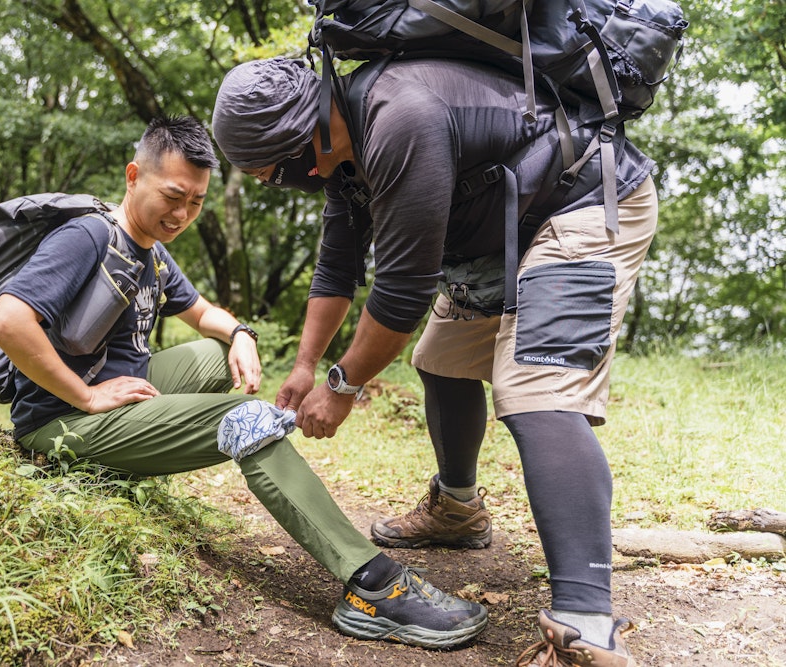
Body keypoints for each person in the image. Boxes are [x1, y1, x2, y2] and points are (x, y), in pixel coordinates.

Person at [212, 56, 657, 666]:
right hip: (498, 230)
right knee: (442, 358)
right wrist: (306, 366)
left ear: (302, 136)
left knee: (537, 390)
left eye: (274, 171)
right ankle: (458, 510)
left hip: (578, 204)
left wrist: (343, 385)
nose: (275, 182)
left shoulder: (401, 118)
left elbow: (401, 290)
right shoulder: (345, 157)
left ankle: (585, 625)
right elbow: (337, 267)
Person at [0, 114, 488, 649]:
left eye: (196, 202)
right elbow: (7, 322)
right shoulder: (87, 236)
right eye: (173, 196)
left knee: (211, 351)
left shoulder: (149, 251)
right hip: (58, 422)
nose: (182, 214)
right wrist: (85, 395)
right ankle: (373, 585)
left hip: (108, 389)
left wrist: (241, 334)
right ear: (134, 177)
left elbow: (201, 313)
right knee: (244, 420)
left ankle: (146, 436)